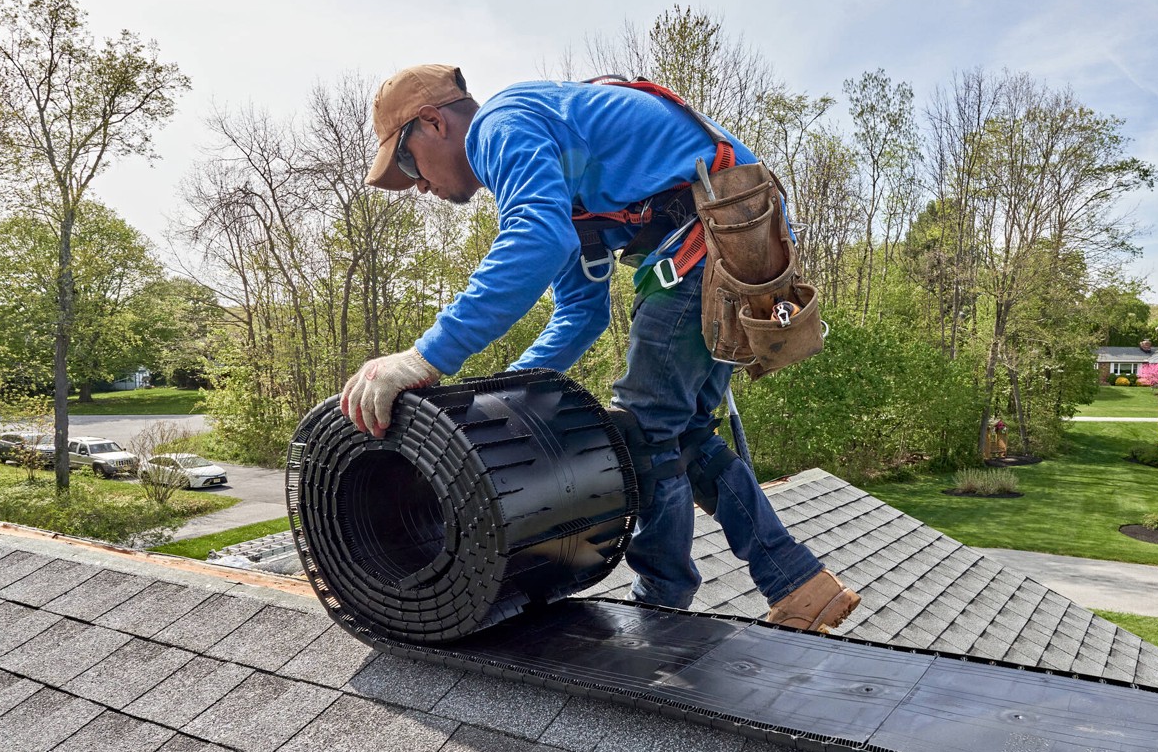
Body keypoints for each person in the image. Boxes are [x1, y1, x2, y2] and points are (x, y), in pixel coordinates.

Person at [338, 64, 861, 632]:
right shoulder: (550, 164)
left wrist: (424, 358)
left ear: (434, 122)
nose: (418, 185)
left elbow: (536, 239)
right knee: (680, 433)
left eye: (408, 163)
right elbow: (581, 315)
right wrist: (501, 395)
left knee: (643, 427)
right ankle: (799, 582)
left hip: (711, 240)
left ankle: (661, 605)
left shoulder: (499, 126)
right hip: (732, 244)